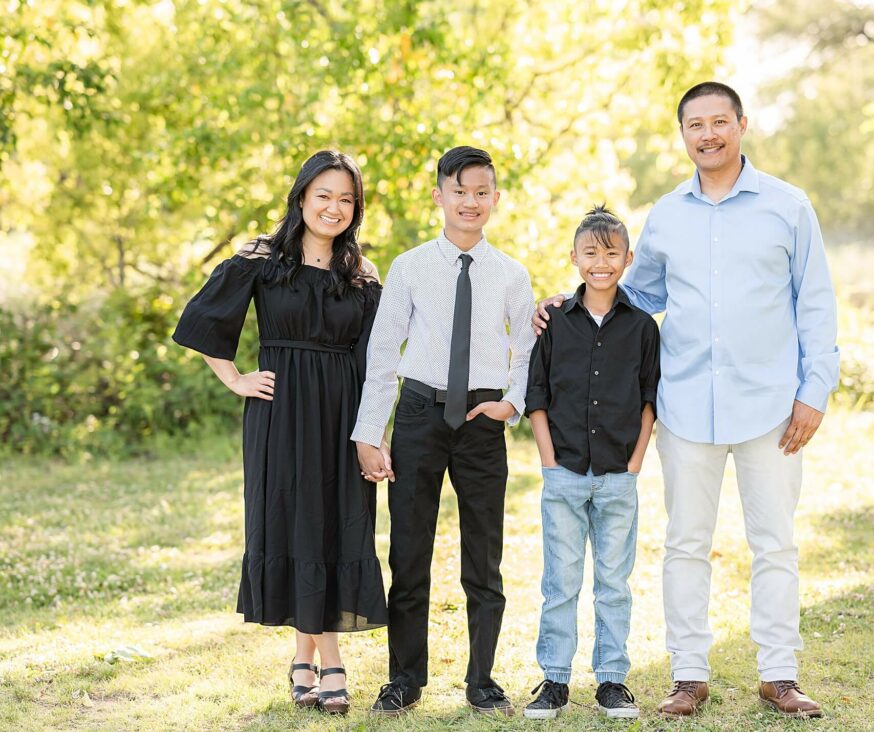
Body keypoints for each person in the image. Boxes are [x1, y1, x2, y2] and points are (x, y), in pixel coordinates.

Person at [534, 82, 839, 719]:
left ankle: (779, 674)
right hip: (686, 405)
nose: (708, 134)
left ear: (742, 125)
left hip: (772, 408)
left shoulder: (788, 206)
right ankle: (688, 675)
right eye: (695, 125)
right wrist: (567, 305)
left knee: (775, 542)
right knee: (685, 544)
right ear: (683, 135)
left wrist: (815, 390)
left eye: (719, 122)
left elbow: (815, 303)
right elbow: (635, 298)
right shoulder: (667, 214)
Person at [172, 150, 387, 716]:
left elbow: (375, 363)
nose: (334, 207)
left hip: (342, 416)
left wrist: (372, 433)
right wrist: (235, 379)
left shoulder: (362, 278)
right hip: (281, 409)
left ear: (355, 209)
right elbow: (203, 320)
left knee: (339, 523)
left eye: (347, 199)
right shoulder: (262, 262)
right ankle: (330, 660)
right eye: (324, 195)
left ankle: (305, 656)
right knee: (295, 521)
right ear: (301, 198)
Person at [351, 146, 536, 717]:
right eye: (459, 191)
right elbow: (383, 353)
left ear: (496, 199)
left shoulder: (510, 273)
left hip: (482, 421)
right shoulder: (410, 267)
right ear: (439, 196)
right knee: (409, 552)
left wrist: (512, 403)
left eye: (482, 192)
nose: (470, 201)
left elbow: (528, 348)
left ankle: (482, 681)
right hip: (418, 416)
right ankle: (404, 678)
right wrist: (369, 431)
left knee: (484, 556)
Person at [522, 206, 659, 720]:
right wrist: (550, 461)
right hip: (565, 473)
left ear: (626, 259)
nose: (600, 262)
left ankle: (611, 680)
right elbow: (537, 394)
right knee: (560, 581)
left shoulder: (642, 327)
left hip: (618, 475)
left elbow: (649, 400)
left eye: (611, 253)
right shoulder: (554, 321)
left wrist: (635, 463)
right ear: (574, 258)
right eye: (590, 253)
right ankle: (554, 680)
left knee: (614, 583)